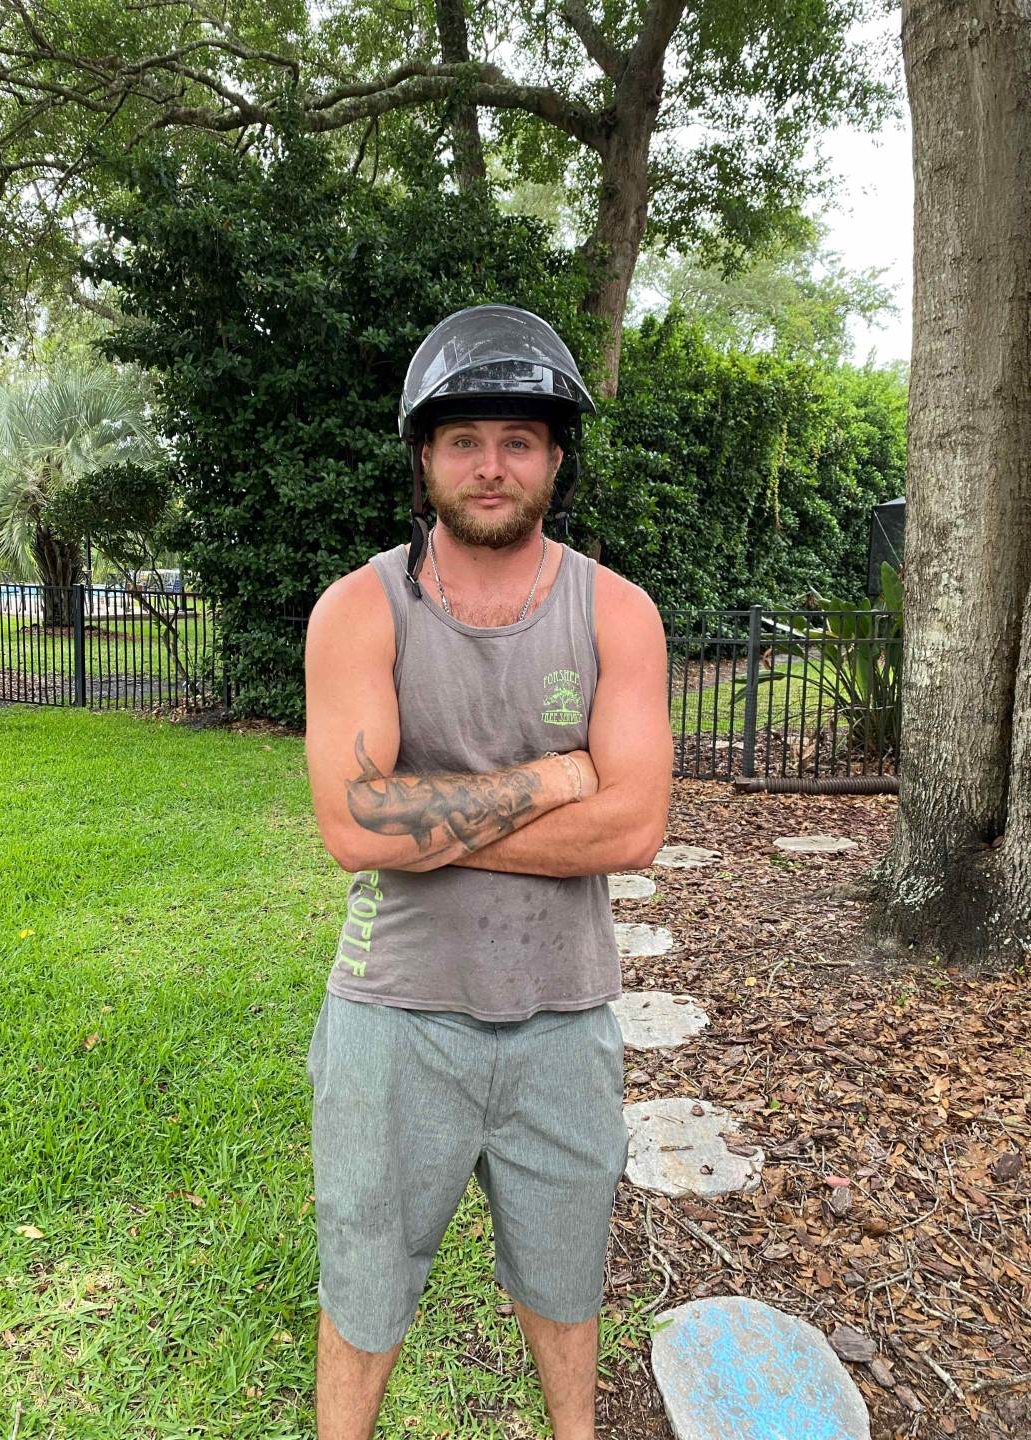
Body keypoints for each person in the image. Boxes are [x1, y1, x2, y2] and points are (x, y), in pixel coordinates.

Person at [303, 304, 674, 1440]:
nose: (492, 464)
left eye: (519, 438)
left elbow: (633, 831)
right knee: (365, 1293)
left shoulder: (618, 614)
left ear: (557, 457)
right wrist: (553, 780)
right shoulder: (360, 610)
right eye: (465, 440)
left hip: (566, 1015)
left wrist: (437, 820)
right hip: (393, 1014)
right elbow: (356, 828)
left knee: (565, 1290)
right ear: (425, 456)